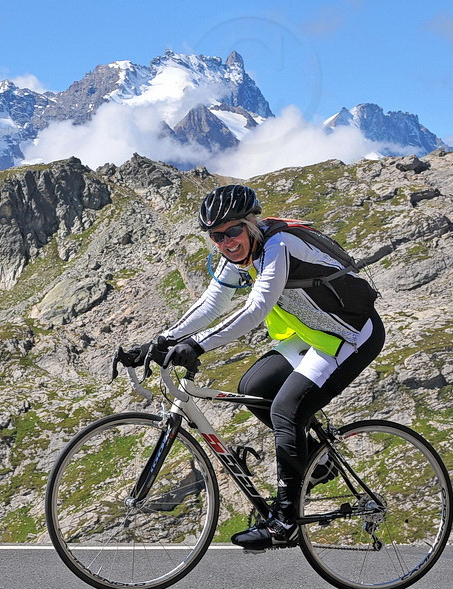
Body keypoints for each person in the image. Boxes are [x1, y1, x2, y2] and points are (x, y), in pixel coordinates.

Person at [150, 184, 384, 551]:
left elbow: (256, 308)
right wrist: (161, 340)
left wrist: (197, 345)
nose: (227, 242)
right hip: (313, 335)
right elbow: (213, 303)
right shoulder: (238, 256)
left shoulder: (279, 246)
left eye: (233, 231)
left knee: (285, 409)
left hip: (349, 335)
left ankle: (284, 522)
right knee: (253, 387)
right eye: (217, 236)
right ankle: (315, 465)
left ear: (251, 224)